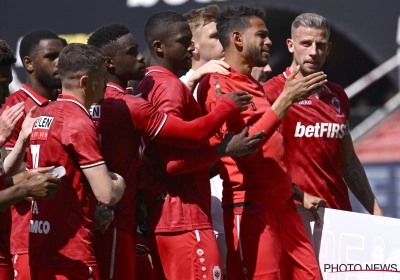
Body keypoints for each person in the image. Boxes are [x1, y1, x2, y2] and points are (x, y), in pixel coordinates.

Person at [87, 23, 260, 280]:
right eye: (184, 40)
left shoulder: (129, 93)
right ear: (109, 63)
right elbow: (176, 159)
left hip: (133, 218)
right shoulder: (138, 98)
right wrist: (225, 131)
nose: (140, 56)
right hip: (177, 217)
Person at [197, 5, 327, 279]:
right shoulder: (217, 85)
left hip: (285, 208)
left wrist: (297, 193)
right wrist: (286, 100)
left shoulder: (252, 84)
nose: (269, 41)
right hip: (251, 211)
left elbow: (269, 154)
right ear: (238, 39)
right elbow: (243, 150)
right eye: (261, 35)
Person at [137, 10, 265, 280]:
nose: (191, 46)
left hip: (167, 218)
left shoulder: (148, 83)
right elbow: (173, 164)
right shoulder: (169, 87)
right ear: (159, 46)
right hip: (184, 220)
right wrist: (224, 147)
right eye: (184, 41)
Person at [262, 13, 383, 215]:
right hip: (292, 213)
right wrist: (299, 195)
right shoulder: (270, 93)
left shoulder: (337, 95)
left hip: (339, 213)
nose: (313, 52)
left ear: (328, 49)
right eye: (306, 44)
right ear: (291, 45)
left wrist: (376, 212)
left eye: (320, 45)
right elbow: (262, 160)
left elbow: (349, 161)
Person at [28, 43, 126, 280]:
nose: (105, 83)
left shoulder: (42, 113)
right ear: (84, 82)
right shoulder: (78, 122)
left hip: (40, 247)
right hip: (73, 254)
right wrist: (119, 181)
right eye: (102, 77)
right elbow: (106, 194)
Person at [0, 29, 64, 280]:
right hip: (21, 238)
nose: (5, 95)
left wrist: (24, 178)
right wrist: (26, 188)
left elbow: (3, 179)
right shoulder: (13, 109)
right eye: (1, 85)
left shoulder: (68, 105)